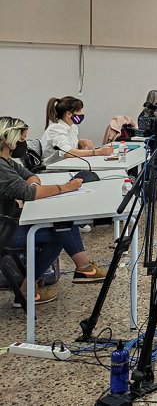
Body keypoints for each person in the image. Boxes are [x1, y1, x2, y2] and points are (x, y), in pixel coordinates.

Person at [0, 117, 107, 305]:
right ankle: (82, 268)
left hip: (9, 223)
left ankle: (81, 268)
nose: (23, 144)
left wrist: (34, 186)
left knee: (61, 226)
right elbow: (28, 192)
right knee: (60, 230)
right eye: (22, 139)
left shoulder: (6, 161)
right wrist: (64, 188)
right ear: (9, 139)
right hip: (4, 231)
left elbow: (30, 177)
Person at [41, 96, 114, 165]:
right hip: (53, 169)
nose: (82, 113)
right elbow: (68, 152)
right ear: (69, 114)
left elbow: (71, 148)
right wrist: (97, 152)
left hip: (69, 165)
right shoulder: (56, 129)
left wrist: (80, 143)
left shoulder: (73, 127)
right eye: (79, 110)